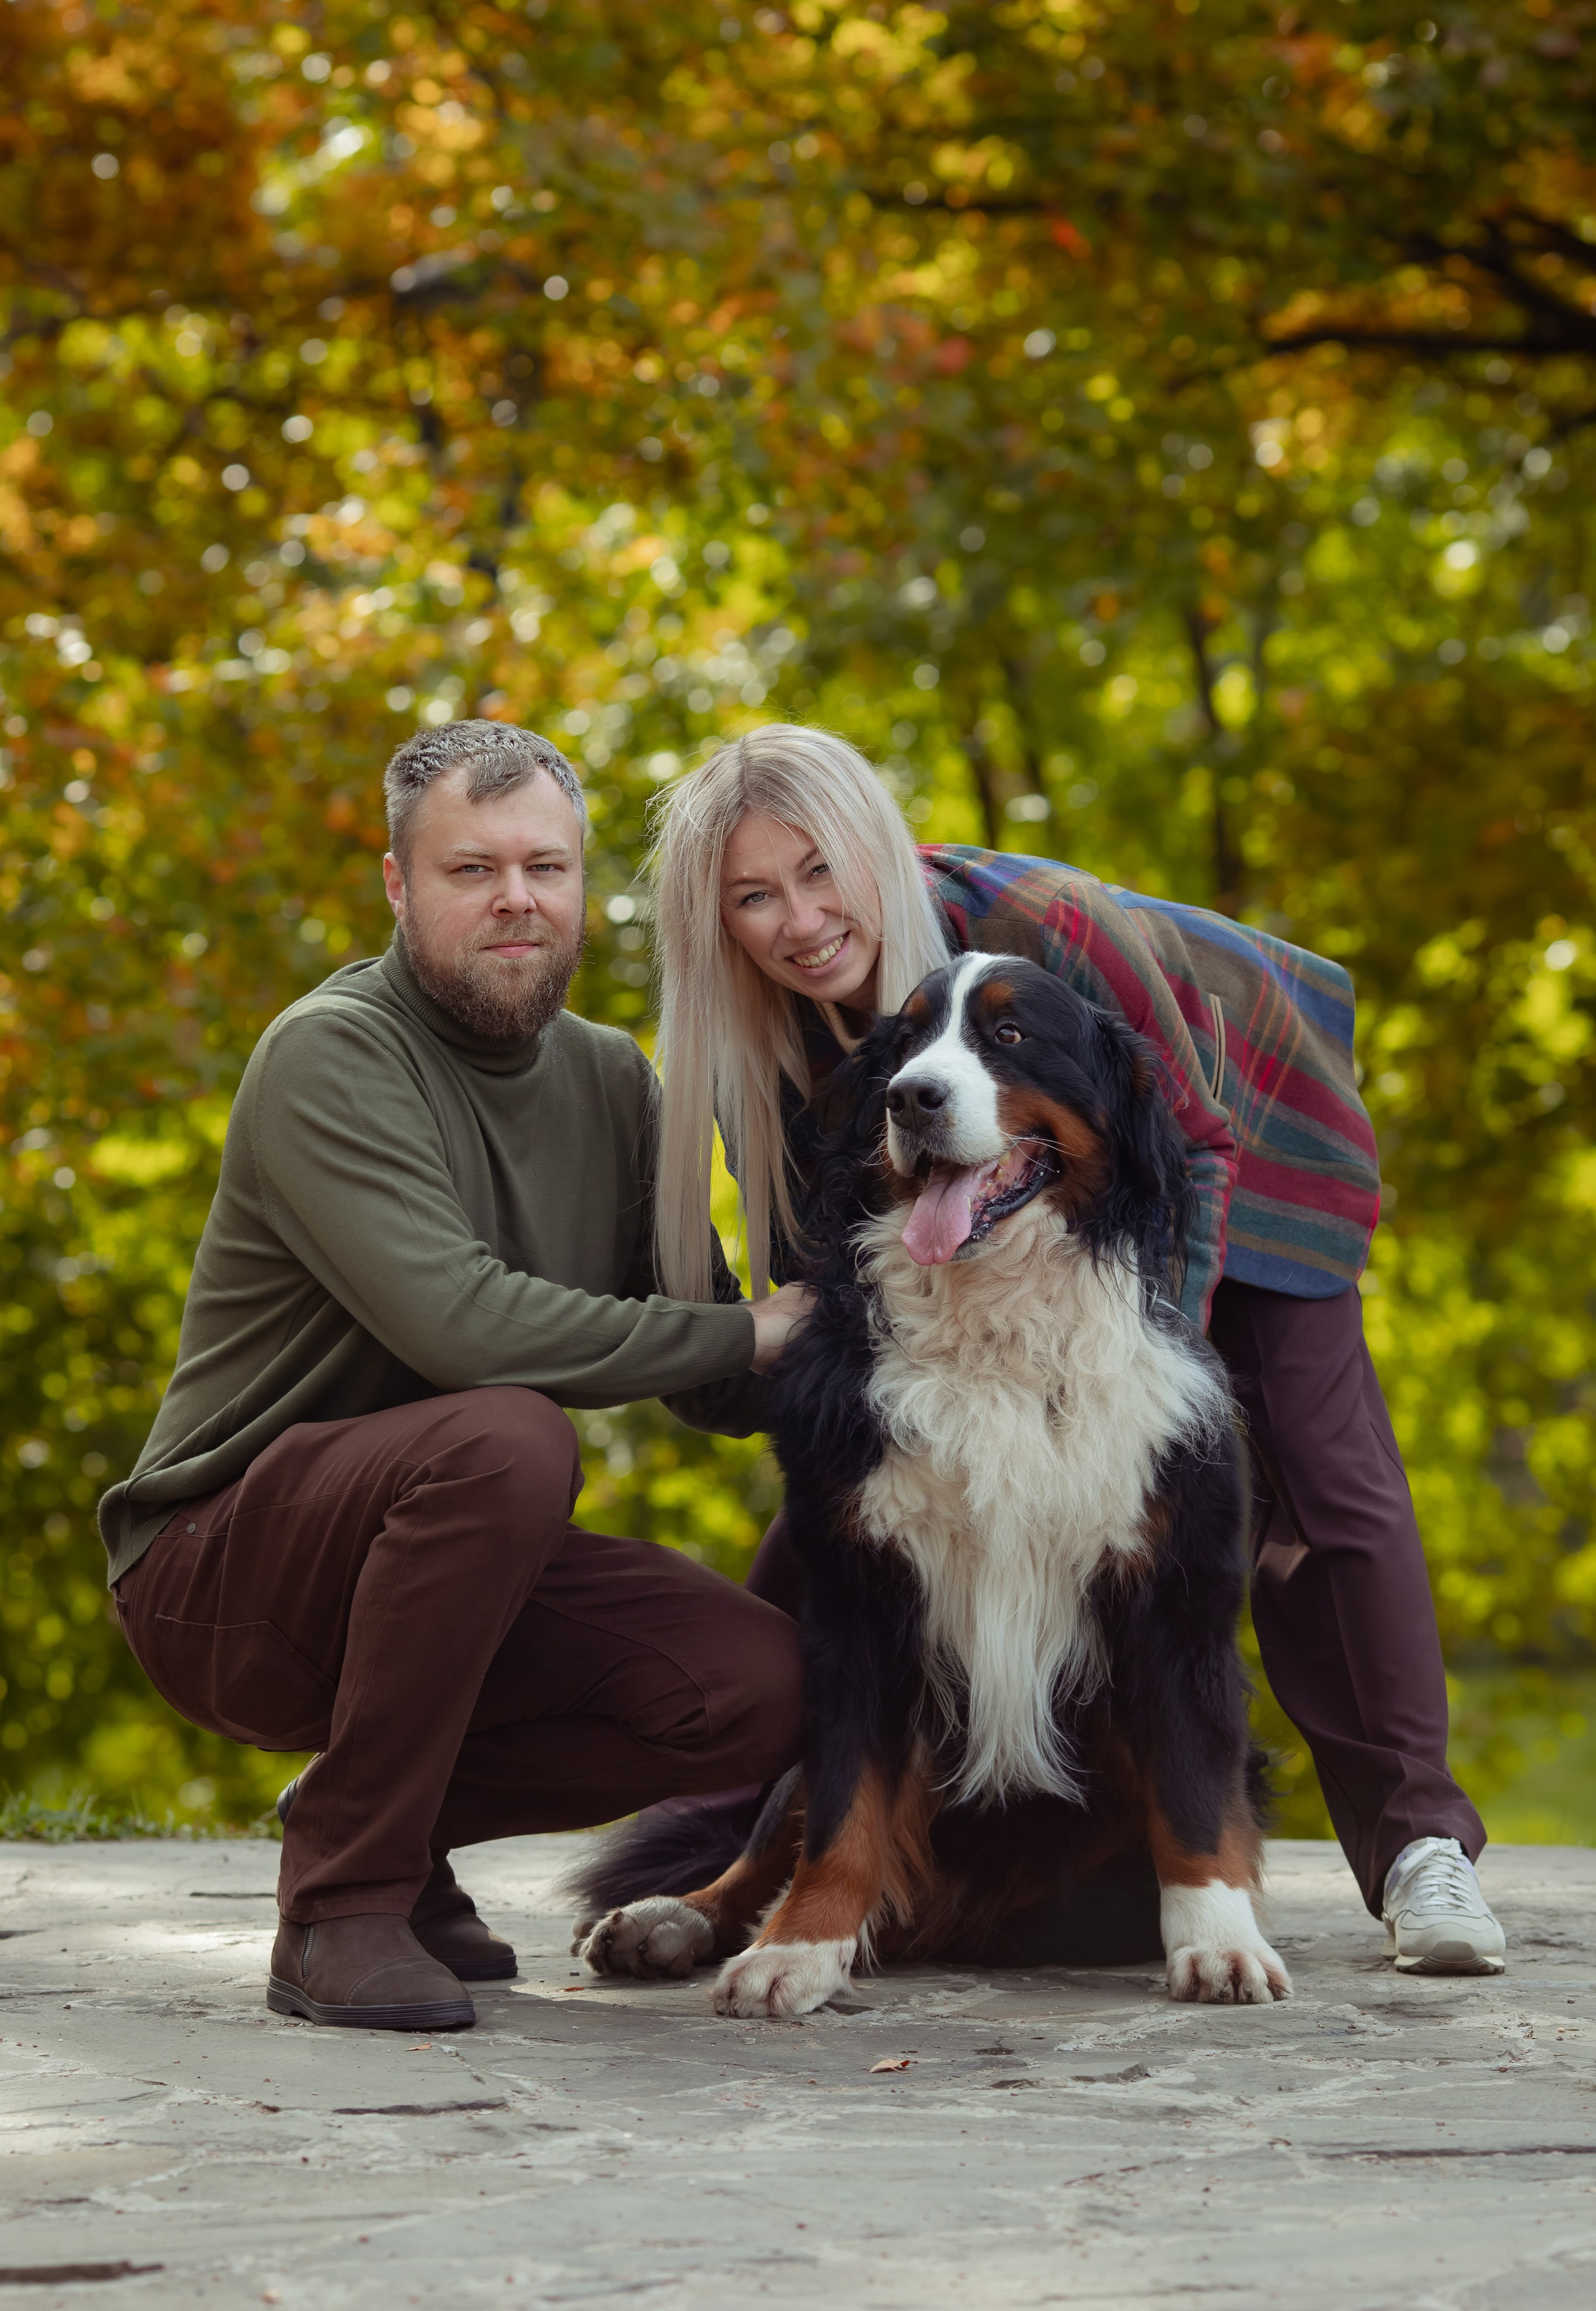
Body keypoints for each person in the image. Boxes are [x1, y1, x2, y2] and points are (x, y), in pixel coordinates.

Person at [647, 722, 1506, 1978]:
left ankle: (1422, 1852)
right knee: (858, 1483)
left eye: (820, 870)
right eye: (753, 898)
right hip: (1000, 1204)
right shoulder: (757, 1046)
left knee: (1312, 1479)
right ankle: (760, 1857)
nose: (799, 919)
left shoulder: (1045, 922)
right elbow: (824, 1321)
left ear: (875, 850)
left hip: (1245, 1122)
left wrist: (1135, 1387)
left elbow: (1192, 1146)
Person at [99, 720, 812, 2032]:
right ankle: (340, 1909)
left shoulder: (610, 1080)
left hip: (453, 1568)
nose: (515, 901)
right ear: (395, 886)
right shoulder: (331, 1052)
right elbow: (466, 1333)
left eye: (545, 867)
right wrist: (746, 1335)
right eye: (470, 870)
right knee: (507, 1434)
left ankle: (383, 1834)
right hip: (223, 1569)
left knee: (753, 1686)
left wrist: (911, 1332)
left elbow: (715, 1367)